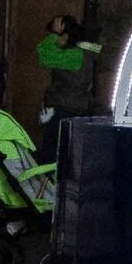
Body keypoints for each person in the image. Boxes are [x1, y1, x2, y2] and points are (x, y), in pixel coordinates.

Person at [35, 14, 102, 159]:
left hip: (65, 108)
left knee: (52, 154)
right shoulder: (87, 50)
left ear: (65, 36)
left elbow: (43, 54)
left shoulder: (74, 56)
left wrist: (54, 33)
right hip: (78, 107)